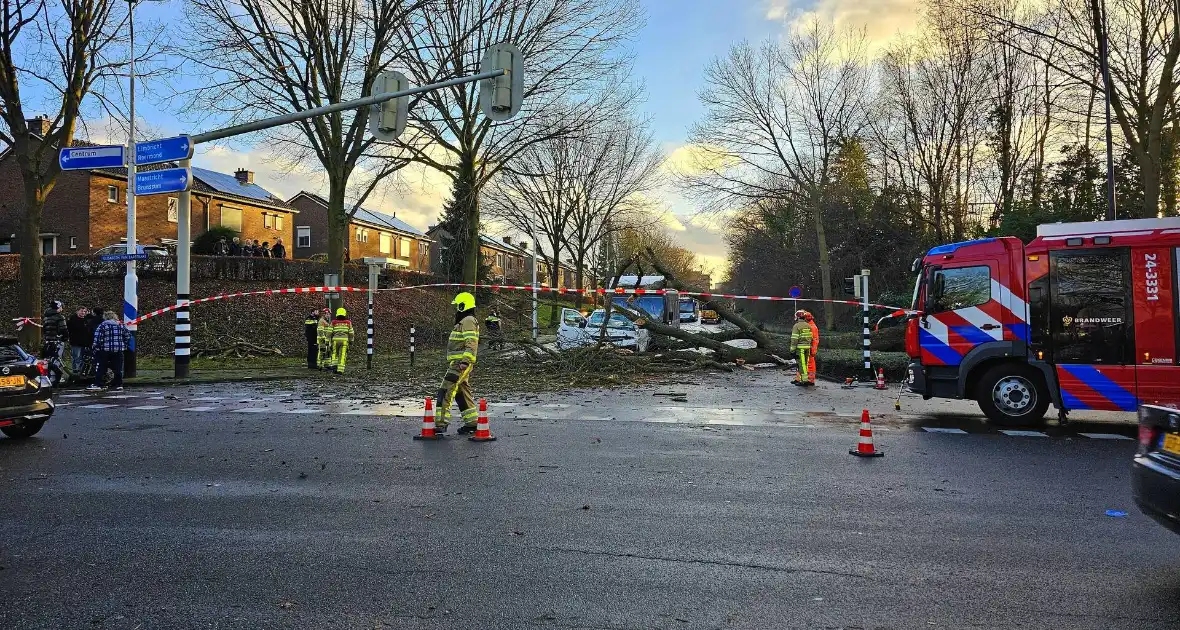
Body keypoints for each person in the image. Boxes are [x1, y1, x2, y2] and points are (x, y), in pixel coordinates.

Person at [436, 292, 480, 434]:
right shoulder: (467, 320)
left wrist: (465, 361)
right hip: (459, 363)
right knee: (461, 392)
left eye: (457, 305)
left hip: (460, 364)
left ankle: (440, 423)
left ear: (463, 305)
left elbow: (471, 343)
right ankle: (472, 423)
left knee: (446, 390)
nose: (456, 309)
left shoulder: (467, 320)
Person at [88, 311, 129, 391]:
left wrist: (95, 347)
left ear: (105, 317)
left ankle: (98, 384)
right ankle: (119, 384)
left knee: (101, 367)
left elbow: (97, 337)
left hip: (105, 349)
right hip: (118, 349)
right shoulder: (120, 325)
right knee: (118, 368)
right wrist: (123, 344)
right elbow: (127, 335)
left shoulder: (103, 325)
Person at [40, 300, 68, 383]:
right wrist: (65, 338)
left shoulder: (46, 317)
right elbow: (63, 329)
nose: (62, 309)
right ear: (58, 308)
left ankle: (48, 376)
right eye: (61, 307)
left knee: (49, 360)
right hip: (57, 341)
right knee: (57, 359)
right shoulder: (60, 317)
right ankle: (55, 377)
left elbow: (44, 329)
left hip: (48, 341)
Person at [789, 309, 814, 387]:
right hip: (808, 347)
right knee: (805, 364)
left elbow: (794, 339)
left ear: (797, 317)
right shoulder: (808, 326)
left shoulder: (796, 326)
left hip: (800, 348)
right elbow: (811, 337)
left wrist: (792, 350)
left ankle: (804, 381)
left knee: (801, 364)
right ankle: (803, 379)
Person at [330, 307, 354, 375]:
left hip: (335, 340)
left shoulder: (333, 322)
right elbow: (351, 333)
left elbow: (329, 332)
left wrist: (327, 341)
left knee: (334, 353)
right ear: (344, 314)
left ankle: (334, 367)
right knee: (342, 355)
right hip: (344, 341)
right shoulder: (348, 322)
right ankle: (340, 370)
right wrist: (351, 341)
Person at [67, 306, 90, 372]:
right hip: (75, 342)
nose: (83, 313)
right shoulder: (72, 320)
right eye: (81, 311)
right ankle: (75, 370)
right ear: (77, 311)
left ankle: (81, 371)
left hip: (84, 343)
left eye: (84, 311)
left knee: (83, 358)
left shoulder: (86, 320)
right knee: (76, 357)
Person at [803, 310, 819, 387]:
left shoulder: (811, 327)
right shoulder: (811, 326)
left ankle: (809, 380)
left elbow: (813, 340)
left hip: (809, 349)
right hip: (810, 348)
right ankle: (809, 379)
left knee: (809, 364)